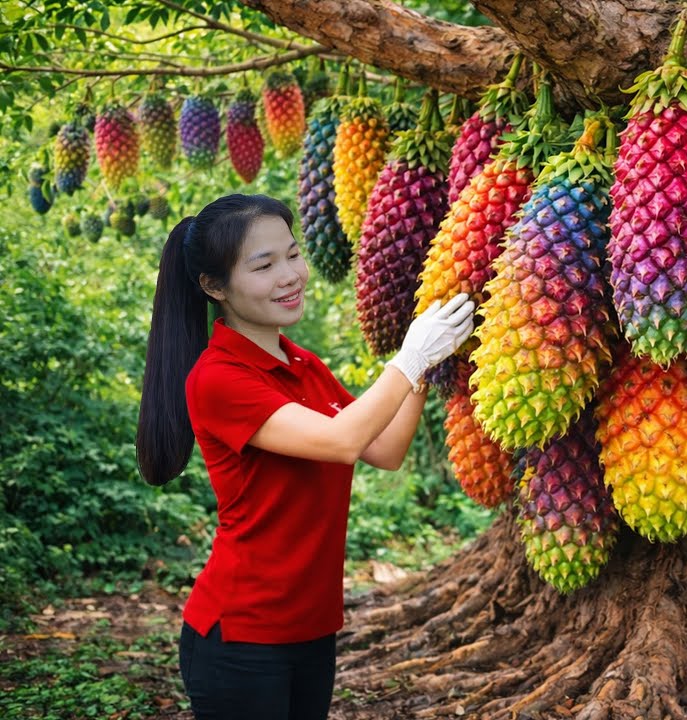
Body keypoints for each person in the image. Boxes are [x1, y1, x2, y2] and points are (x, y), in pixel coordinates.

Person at [135, 194, 473, 719]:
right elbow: (342, 441)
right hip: (242, 635)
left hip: (312, 627)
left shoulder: (302, 364)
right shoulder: (218, 378)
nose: (290, 275)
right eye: (264, 265)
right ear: (213, 287)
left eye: (293, 255)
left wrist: (428, 364)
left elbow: (383, 448)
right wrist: (410, 356)